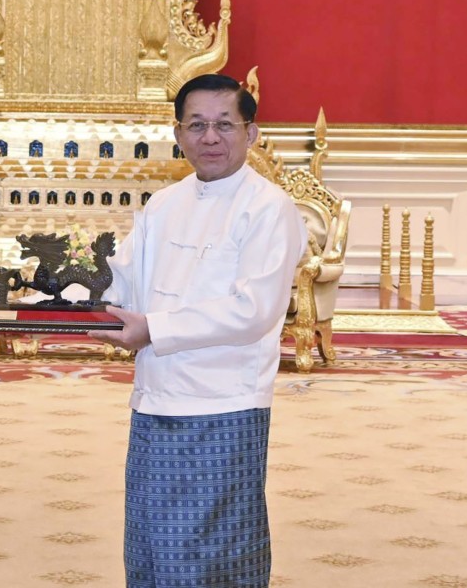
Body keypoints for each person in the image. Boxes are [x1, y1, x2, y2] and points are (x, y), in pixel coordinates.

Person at [90, 73, 307, 587]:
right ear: (179, 133)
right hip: (156, 398)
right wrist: (57, 298)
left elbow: (253, 310)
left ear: (251, 134)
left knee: (218, 551)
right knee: (151, 547)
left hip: (224, 403)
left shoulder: (269, 207)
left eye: (225, 125)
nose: (211, 138)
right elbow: (121, 280)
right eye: (198, 125)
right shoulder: (164, 203)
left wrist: (154, 330)